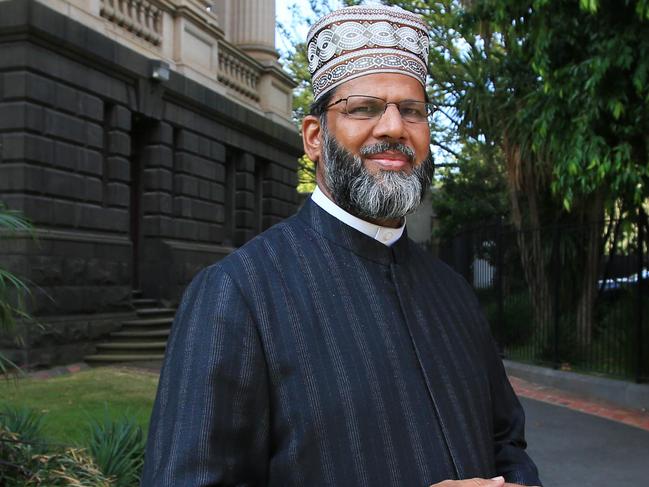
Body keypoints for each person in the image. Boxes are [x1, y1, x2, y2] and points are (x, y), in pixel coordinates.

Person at [141, 4, 542, 487]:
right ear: (314, 137)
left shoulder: (453, 294)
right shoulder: (237, 295)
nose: (394, 128)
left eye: (412, 111)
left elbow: (507, 445)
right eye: (364, 108)